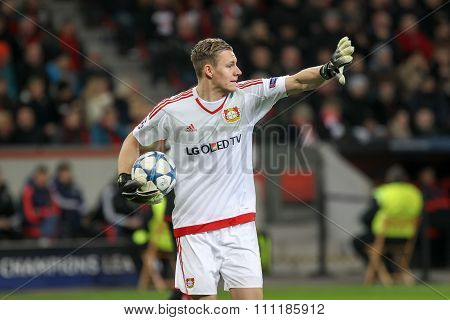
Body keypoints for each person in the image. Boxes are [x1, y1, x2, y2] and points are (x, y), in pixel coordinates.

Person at [117, 37, 354, 300]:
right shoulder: (173, 110)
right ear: (209, 70)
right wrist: (125, 177)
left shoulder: (248, 96)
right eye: (230, 65)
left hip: (240, 226)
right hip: (195, 230)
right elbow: (134, 140)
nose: (238, 71)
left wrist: (327, 70)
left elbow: (297, 81)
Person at [352, 165, 423, 269]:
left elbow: (367, 217)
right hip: (408, 238)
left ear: (388, 178)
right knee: (382, 246)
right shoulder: (415, 193)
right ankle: (392, 270)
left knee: (358, 242)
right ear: (405, 178)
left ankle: (382, 270)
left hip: (384, 237)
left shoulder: (383, 192)